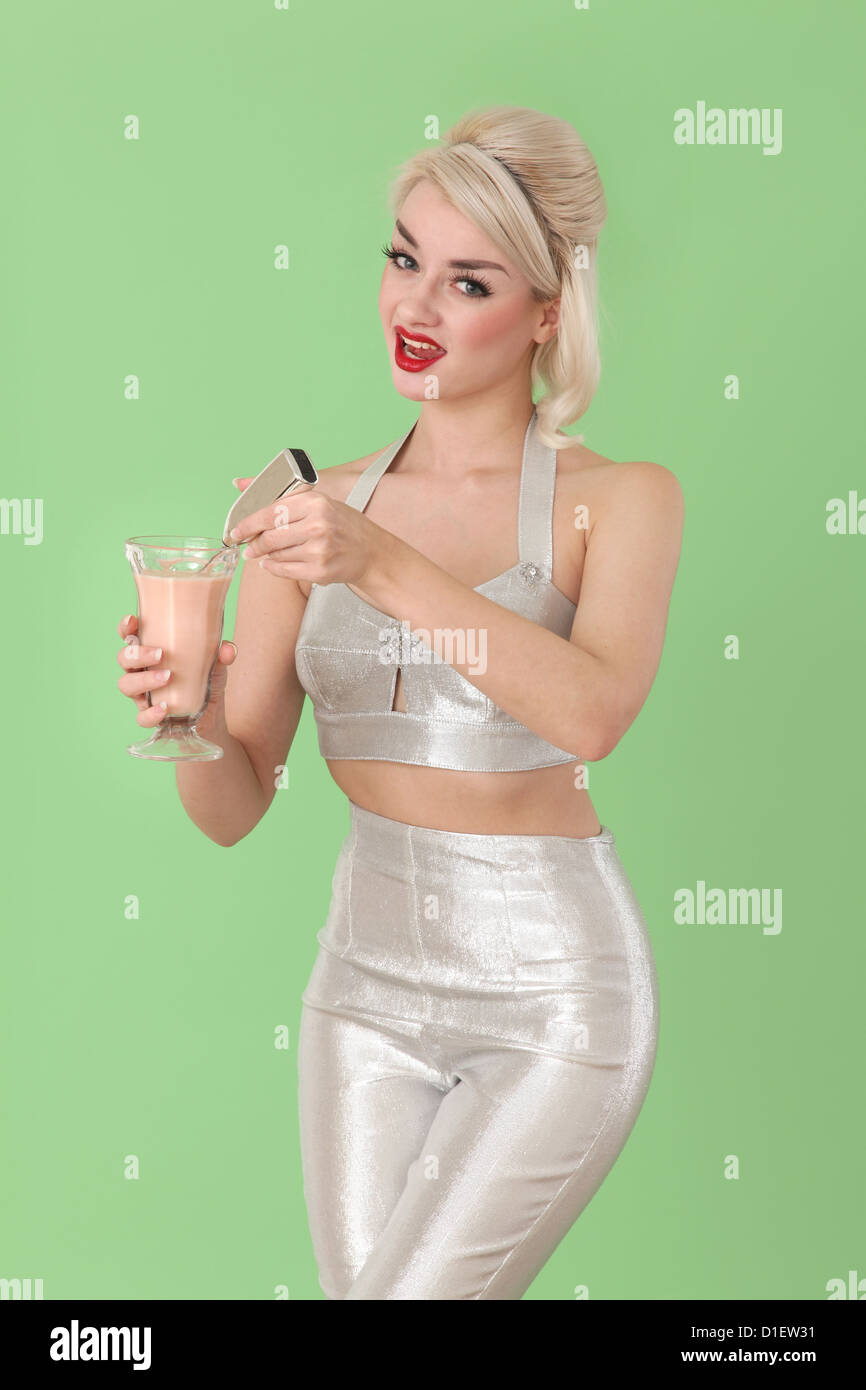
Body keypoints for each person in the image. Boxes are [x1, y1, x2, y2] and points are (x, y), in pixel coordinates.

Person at [116, 105, 684, 1300]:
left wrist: (370, 560)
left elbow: (590, 716)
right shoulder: (305, 511)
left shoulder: (619, 500)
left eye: (465, 280)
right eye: (402, 258)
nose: (413, 307)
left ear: (544, 312)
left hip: (550, 995)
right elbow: (232, 806)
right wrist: (186, 712)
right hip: (361, 988)